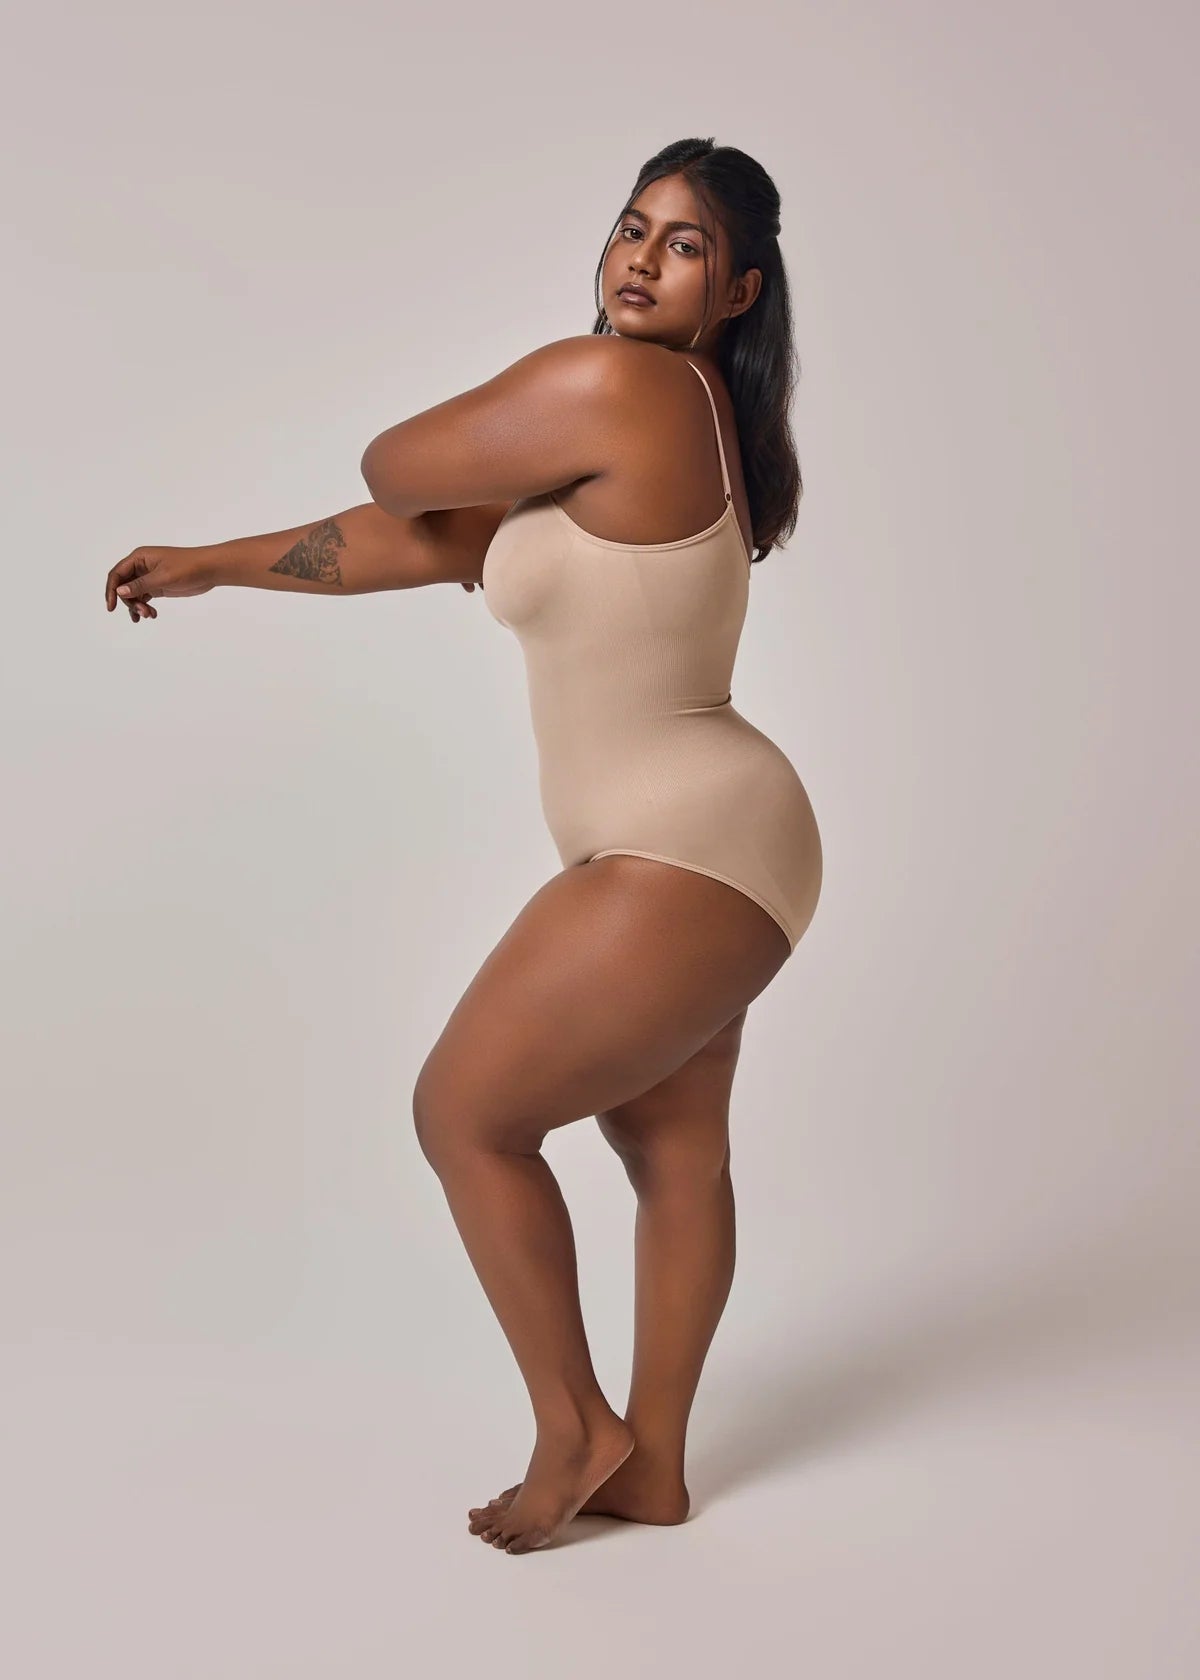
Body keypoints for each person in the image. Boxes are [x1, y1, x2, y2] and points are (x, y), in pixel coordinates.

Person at [104, 137, 823, 1555]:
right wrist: (217, 562)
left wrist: (514, 401)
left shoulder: (615, 383)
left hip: (682, 839)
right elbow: (423, 540)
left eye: (683, 245)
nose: (639, 258)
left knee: (466, 1115)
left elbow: (399, 468)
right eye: (631, 226)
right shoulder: (656, 420)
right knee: (671, 1143)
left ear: (739, 291)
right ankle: (654, 1468)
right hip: (731, 840)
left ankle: (578, 1430)